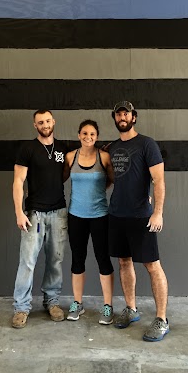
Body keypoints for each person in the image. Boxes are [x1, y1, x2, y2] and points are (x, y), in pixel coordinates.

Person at [107, 100, 170, 342]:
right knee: (124, 262)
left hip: (141, 216)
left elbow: (159, 181)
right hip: (117, 215)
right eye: (118, 114)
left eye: (126, 113)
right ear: (114, 118)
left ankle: (162, 319)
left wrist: (158, 212)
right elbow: (112, 178)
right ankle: (131, 309)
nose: (122, 117)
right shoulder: (112, 148)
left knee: (152, 265)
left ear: (134, 117)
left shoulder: (147, 144)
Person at [11, 109, 68, 329]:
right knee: (27, 262)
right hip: (34, 214)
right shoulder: (28, 149)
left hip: (59, 212)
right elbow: (18, 181)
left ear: (53, 122)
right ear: (35, 125)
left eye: (47, 121)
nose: (45, 125)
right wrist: (19, 212)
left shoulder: (62, 148)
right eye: (40, 122)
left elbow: (68, 172)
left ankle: (52, 302)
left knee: (55, 260)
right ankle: (21, 307)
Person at [63, 120, 115, 325]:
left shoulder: (104, 157)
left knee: (103, 260)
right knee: (77, 260)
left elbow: (114, 180)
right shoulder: (70, 157)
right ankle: (77, 303)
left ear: (97, 136)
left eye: (92, 134)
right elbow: (58, 180)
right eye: (85, 133)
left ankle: (108, 306)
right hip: (76, 216)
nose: (88, 137)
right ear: (79, 135)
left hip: (100, 216)